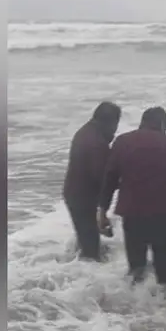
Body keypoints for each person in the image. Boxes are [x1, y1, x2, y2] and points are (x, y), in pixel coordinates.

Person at [97, 106, 166, 287]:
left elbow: (110, 179)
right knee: (165, 272)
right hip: (162, 216)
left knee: (136, 270)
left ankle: (136, 309)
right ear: (161, 125)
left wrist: (102, 211)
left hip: (132, 215)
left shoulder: (122, 142)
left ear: (142, 122)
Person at [62, 101, 121, 261]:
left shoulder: (86, 132)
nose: (115, 130)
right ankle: (83, 279)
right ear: (110, 122)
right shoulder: (96, 144)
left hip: (76, 193)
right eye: (116, 125)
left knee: (87, 237)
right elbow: (102, 178)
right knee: (91, 248)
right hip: (82, 197)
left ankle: (76, 263)